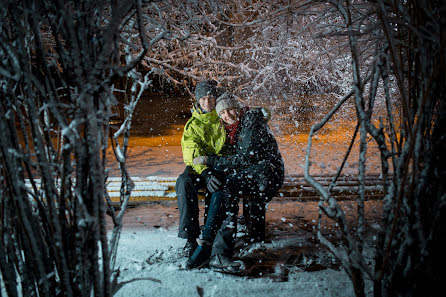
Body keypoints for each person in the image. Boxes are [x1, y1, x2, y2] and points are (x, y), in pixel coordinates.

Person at [186, 92, 285, 270]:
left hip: (267, 174)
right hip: (255, 172)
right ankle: (217, 250)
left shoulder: (250, 121)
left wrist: (210, 161)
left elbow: (245, 159)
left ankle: (209, 246)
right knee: (224, 188)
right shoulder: (234, 128)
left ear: (237, 108)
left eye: (230, 109)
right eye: (222, 113)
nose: (227, 115)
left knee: (226, 187)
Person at [175, 80, 227, 257]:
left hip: (220, 165)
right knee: (184, 181)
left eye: (211, 98)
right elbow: (191, 154)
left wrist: (216, 167)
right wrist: (205, 171)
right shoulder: (193, 125)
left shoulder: (223, 117)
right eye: (203, 98)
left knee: (218, 186)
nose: (207, 102)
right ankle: (191, 237)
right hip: (199, 168)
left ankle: (209, 235)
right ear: (197, 100)